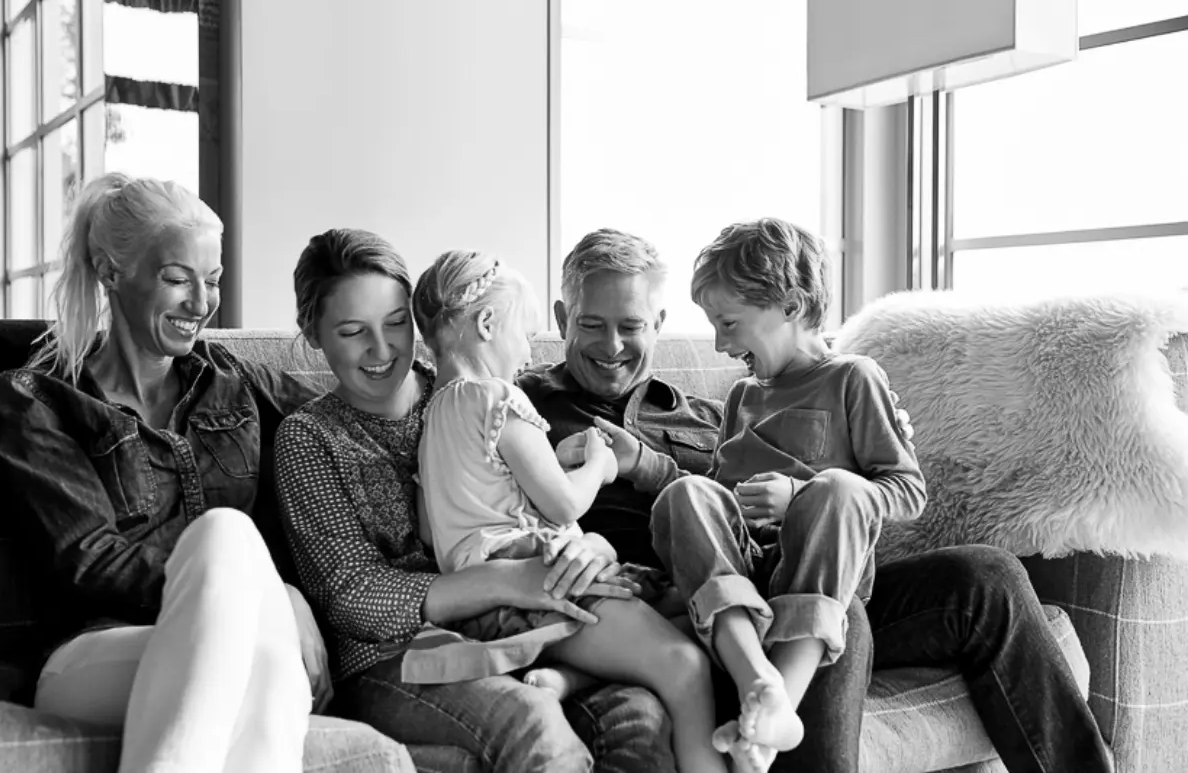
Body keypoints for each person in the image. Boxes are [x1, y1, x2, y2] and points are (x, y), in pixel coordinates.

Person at [522, 226, 1114, 773]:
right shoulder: (521, 408)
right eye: (591, 325)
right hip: (696, 605)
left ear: (658, 322)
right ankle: (770, 694)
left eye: (631, 325)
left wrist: (848, 465)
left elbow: (851, 487)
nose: (614, 346)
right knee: (842, 618)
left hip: (810, 567)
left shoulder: (709, 410)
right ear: (562, 319)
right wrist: (581, 531)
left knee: (987, 575)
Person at [274, 228, 679, 773]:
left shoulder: (471, 393)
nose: (382, 349)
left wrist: (592, 551)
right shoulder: (309, 437)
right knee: (529, 720)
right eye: (352, 332)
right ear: (314, 333)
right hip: (395, 655)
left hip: (525, 622)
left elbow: (549, 509)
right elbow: (351, 594)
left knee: (637, 713)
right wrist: (508, 580)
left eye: (396, 324)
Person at [0, 173, 331, 773]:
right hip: (94, 651)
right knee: (227, 538)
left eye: (214, 280)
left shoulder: (232, 380)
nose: (202, 303)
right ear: (112, 271)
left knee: (273, 665)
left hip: (241, 644)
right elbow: (91, 560)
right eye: (177, 278)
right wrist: (272, 591)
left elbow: (348, 414)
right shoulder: (39, 400)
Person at [408, 249, 726, 773]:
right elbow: (564, 502)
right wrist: (599, 464)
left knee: (682, 608)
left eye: (631, 325)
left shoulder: (433, 415)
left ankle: (568, 677)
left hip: (482, 602)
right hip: (543, 576)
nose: (528, 354)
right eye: (526, 336)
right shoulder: (500, 397)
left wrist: (544, 465)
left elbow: (432, 525)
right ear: (488, 324)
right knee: (688, 665)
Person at [663, 217, 927, 771]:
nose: (719, 342)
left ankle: (784, 692)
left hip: (822, 569)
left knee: (836, 488)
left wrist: (799, 495)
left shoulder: (854, 377)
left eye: (729, 322)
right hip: (745, 574)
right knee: (687, 492)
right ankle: (758, 683)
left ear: (789, 304)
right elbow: (718, 497)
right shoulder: (740, 396)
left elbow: (906, 491)